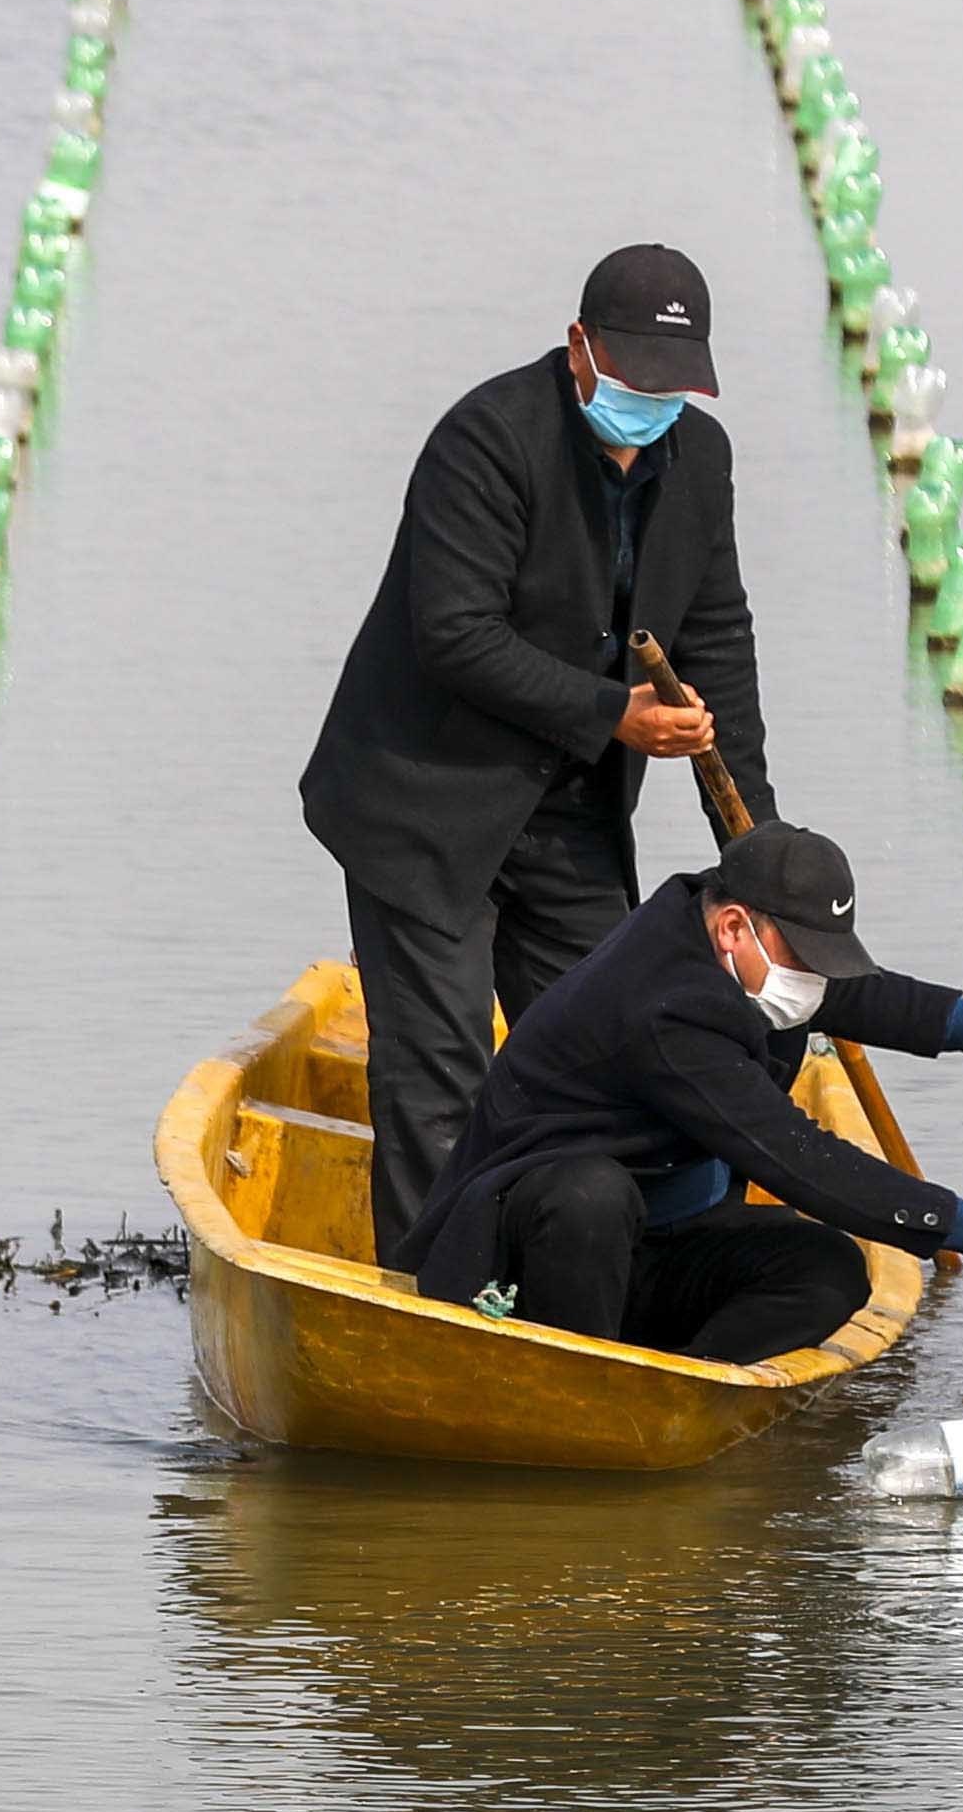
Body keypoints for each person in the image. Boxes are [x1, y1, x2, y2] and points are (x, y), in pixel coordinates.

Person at [299, 240, 778, 1268]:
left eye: (671, 388)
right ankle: (433, 1302)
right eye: (630, 382)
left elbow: (718, 640)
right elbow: (454, 634)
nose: (648, 406)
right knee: (440, 1079)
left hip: (566, 814)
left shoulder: (700, 460)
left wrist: (759, 850)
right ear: (577, 349)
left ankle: (614, 1287)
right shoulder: (487, 439)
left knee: (625, 1048)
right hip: (423, 803)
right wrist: (617, 717)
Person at [394, 825, 963, 1363]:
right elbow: (797, 1159)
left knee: (828, 1269)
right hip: (537, 1252)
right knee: (589, 1195)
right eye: (804, 960)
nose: (814, 981)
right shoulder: (666, 1010)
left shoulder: (715, 931)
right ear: (732, 928)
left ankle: (683, 1386)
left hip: (656, 1240)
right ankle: (577, 1378)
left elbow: (863, 998)